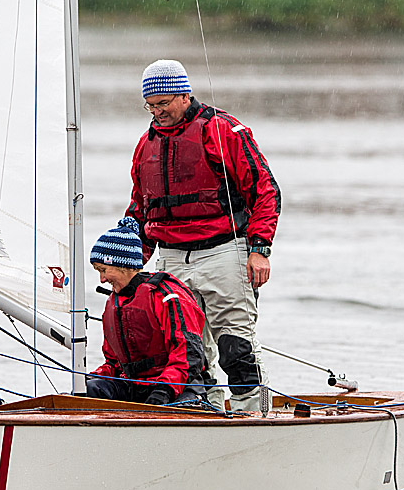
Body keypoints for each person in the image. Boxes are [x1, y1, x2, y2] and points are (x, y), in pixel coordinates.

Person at [124, 59, 281, 412]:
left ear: (184, 95)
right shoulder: (144, 145)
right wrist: (127, 263)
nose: (156, 112)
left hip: (224, 252)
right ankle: (202, 411)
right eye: (150, 106)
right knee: (187, 349)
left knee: (235, 347)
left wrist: (259, 249)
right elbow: (140, 209)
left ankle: (251, 411)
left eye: (163, 104)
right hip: (170, 257)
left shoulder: (225, 131)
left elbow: (265, 190)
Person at [86, 217, 208, 406]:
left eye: (103, 270)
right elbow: (113, 364)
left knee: (179, 405)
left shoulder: (168, 296)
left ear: (123, 265)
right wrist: (87, 380)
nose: (101, 279)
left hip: (177, 385)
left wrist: (164, 389)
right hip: (134, 386)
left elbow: (188, 355)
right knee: (88, 390)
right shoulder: (114, 303)